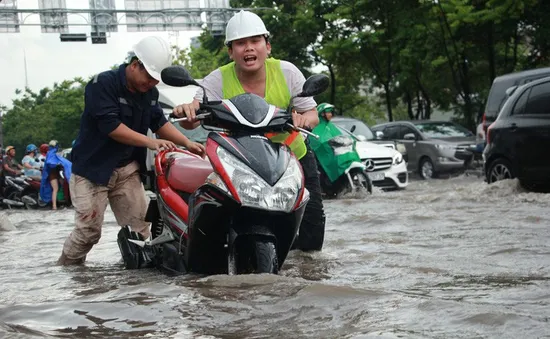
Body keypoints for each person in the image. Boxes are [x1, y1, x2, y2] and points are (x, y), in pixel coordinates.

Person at [172, 10, 326, 251]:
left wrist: (304, 120)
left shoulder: (288, 72)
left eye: (255, 41)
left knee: (312, 231)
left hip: (292, 160)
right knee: (215, 223)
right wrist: (188, 111)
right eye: (240, 43)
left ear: (268, 46)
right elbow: (192, 119)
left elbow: (312, 114)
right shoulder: (216, 80)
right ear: (230, 51)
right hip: (240, 164)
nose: (248, 48)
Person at [57, 36, 206, 266]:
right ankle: (68, 271)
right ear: (135, 64)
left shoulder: (150, 94)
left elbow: (159, 124)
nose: (151, 83)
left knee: (141, 230)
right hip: (92, 170)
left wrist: (187, 144)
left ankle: (139, 282)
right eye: (148, 76)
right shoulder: (102, 85)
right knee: (88, 231)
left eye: (156, 79)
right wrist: (150, 143)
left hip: (126, 169)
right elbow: (112, 128)